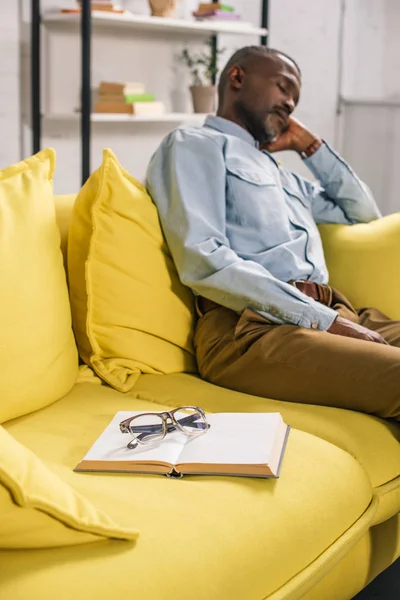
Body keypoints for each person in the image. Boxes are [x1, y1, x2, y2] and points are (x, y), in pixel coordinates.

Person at [146, 46, 400, 422]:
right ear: (237, 77)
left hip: (332, 309)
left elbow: (362, 213)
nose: (290, 104)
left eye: (295, 100)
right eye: (283, 88)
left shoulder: (282, 173)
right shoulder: (194, 145)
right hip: (251, 329)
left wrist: (309, 146)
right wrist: (321, 321)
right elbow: (204, 258)